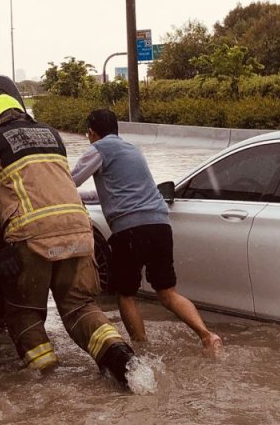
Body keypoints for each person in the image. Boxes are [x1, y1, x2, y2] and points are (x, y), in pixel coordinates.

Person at [0, 95, 138, 389]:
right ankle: (123, 360)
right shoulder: (53, 136)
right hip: (79, 232)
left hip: (31, 236)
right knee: (81, 307)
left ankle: (49, 384)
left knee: (23, 313)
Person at [71, 108, 222, 355]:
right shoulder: (133, 150)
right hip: (160, 226)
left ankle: (141, 351)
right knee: (167, 293)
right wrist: (83, 198)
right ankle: (207, 335)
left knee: (126, 295)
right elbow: (116, 191)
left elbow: (71, 180)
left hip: (130, 231)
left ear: (91, 132)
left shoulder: (99, 149)